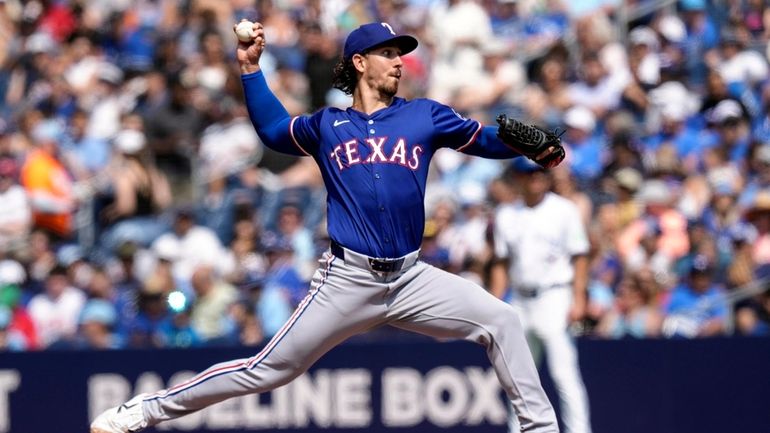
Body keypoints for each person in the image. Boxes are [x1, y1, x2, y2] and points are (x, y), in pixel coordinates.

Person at [91, 21, 564, 433]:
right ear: (360, 62)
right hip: (348, 278)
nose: (399, 63)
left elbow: (483, 138)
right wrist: (251, 69)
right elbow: (274, 130)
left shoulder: (424, 115)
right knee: (267, 370)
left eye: (401, 54)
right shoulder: (328, 124)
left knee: (502, 320)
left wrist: (528, 147)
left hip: (411, 277)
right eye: (389, 53)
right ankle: (142, 411)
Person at [490, 158, 593, 433]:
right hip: (521, 299)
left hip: (554, 296)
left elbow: (580, 256)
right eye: (529, 173)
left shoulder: (564, 210)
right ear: (518, 178)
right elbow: (501, 262)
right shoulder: (505, 214)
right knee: (518, 378)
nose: (536, 178)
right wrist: (494, 304)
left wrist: (579, 298)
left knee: (564, 374)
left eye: (539, 173)